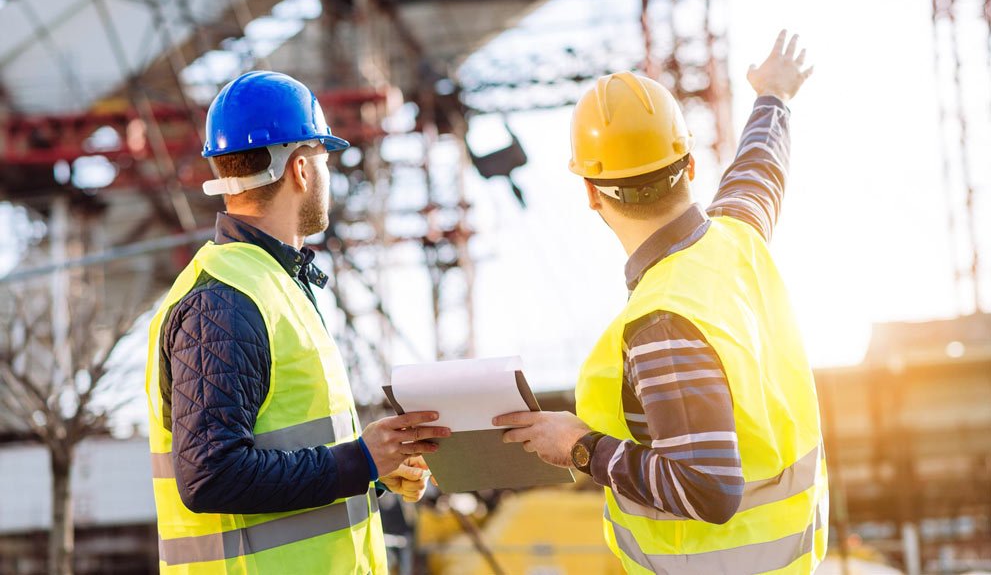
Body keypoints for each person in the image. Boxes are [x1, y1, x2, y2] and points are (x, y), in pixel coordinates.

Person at [494, 31, 828, 574]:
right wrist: (773, 97)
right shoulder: (736, 241)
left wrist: (580, 446)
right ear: (691, 167)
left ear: (591, 193)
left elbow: (708, 489)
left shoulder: (663, 321)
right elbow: (760, 170)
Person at [144, 71, 450, 574]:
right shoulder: (224, 301)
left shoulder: (268, 283)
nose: (329, 175)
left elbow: (282, 448)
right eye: (327, 160)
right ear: (302, 169)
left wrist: (372, 472)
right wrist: (360, 461)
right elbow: (210, 475)